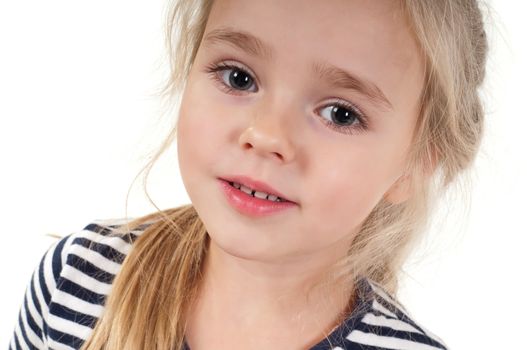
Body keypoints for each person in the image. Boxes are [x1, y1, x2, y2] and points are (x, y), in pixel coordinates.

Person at [9, 0, 489, 349]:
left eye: (341, 114)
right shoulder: (77, 280)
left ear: (417, 162)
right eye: (239, 77)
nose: (266, 135)